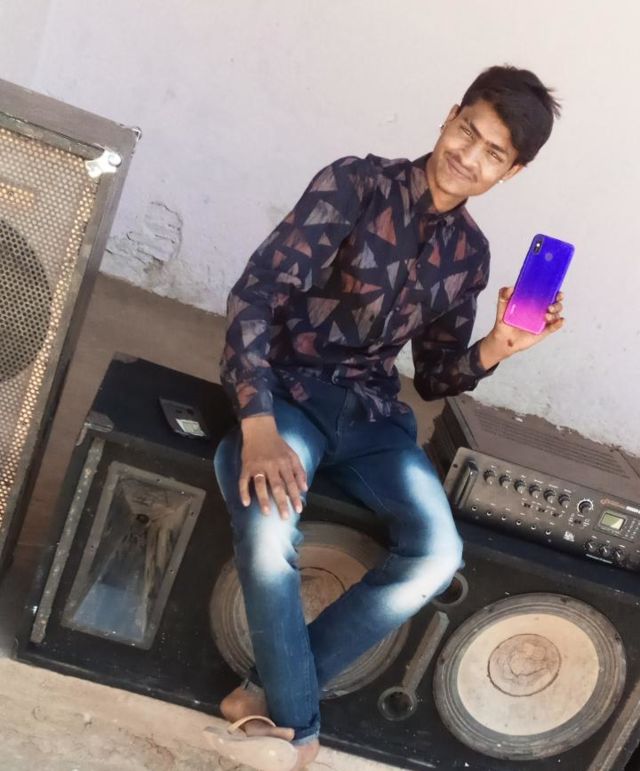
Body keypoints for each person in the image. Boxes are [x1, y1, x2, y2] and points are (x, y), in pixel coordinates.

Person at [209, 64, 564, 770]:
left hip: (373, 416)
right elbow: (255, 294)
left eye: (493, 153)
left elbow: (432, 378)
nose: (469, 155)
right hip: (292, 392)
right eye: (467, 131)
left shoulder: (469, 255)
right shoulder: (355, 185)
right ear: (449, 115)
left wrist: (497, 345)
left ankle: (265, 693)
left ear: (512, 171)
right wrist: (256, 423)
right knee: (268, 526)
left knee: (437, 554)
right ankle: (299, 733)